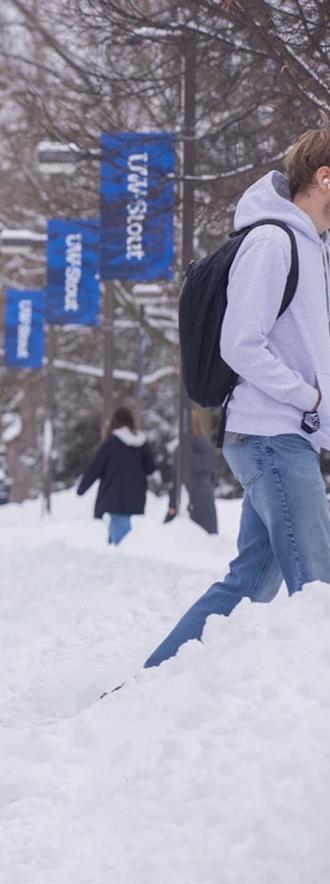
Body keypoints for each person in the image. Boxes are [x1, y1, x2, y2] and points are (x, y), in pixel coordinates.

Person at [145, 126, 330, 669]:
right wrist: (307, 397)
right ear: (325, 178)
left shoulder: (311, 247)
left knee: (249, 583)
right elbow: (240, 344)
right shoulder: (273, 243)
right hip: (271, 434)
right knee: (318, 589)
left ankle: (154, 687)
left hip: (282, 435)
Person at [76, 407, 156, 546]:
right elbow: (150, 469)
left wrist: (82, 489)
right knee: (124, 531)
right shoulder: (142, 443)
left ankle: (119, 559)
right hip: (136, 496)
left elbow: (95, 468)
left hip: (114, 495)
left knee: (119, 536)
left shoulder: (111, 443)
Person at [186, 407, 219, 536]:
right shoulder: (206, 445)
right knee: (207, 537)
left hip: (191, 493)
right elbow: (212, 471)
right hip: (206, 492)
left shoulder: (185, 447)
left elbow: (177, 474)